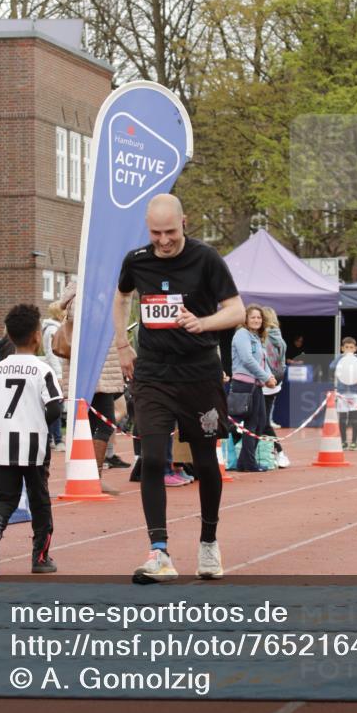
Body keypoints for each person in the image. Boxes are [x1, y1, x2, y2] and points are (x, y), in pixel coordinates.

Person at [113, 193, 245, 583]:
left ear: (184, 222)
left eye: (170, 232)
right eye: (156, 233)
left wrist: (202, 324)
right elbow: (121, 297)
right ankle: (159, 552)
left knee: (204, 460)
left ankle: (208, 542)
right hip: (153, 373)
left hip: (199, 374)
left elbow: (237, 309)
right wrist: (123, 343)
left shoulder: (206, 259)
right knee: (151, 458)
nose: (164, 241)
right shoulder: (137, 260)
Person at [0, 303, 62, 577]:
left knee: (5, 498)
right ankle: (40, 557)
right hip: (33, 446)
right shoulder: (42, 370)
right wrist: (35, 418)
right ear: (38, 336)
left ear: (9, 336)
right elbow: (55, 407)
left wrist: (4, 417)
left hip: (2, 444)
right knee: (39, 500)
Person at [60, 281, 125, 494]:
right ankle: (93, 476)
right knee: (104, 423)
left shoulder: (85, 298)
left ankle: (91, 475)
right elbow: (93, 326)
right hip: (93, 372)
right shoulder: (81, 300)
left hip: (98, 371)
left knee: (94, 424)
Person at [230, 304, 277, 471]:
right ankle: (243, 461)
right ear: (245, 319)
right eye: (253, 317)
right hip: (244, 384)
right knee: (235, 422)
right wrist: (266, 377)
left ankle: (246, 462)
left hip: (256, 385)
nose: (257, 320)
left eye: (259, 317)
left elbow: (262, 361)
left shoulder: (255, 336)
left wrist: (269, 377)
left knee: (258, 423)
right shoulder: (242, 334)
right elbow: (247, 359)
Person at [260, 307, 291, 463]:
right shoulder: (279, 338)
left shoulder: (263, 337)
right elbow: (283, 362)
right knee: (260, 420)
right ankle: (270, 453)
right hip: (276, 381)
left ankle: (278, 452)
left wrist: (265, 377)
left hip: (264, 381)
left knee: (261, 421)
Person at [330, 336, 357, 450]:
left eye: (351, 347)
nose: (349, 349)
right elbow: (331, 367)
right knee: (342, 418)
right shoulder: (340, 358)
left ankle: (354, 442)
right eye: (346, 347)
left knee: (354, 418)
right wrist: (340, 359)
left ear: (355, 348)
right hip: (342, 392)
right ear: (342, 348)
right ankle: (343, 441)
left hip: (355, 392)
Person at [41, 301, 66, 452]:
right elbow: (52, 354)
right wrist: (58, 374)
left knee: (57, 404)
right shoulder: (52, 330)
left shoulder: (56, 328)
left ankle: (53, 437)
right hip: (55, 373)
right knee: (56, 405)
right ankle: (55, 439)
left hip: (57, 371)